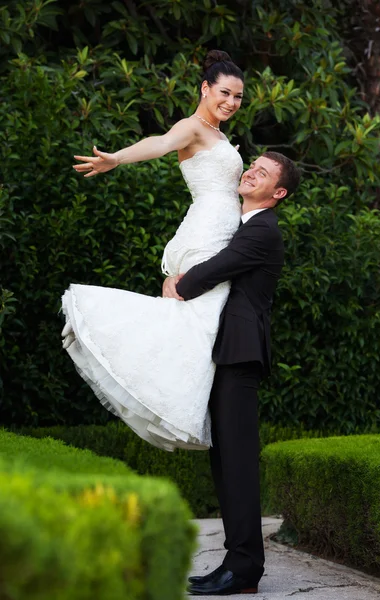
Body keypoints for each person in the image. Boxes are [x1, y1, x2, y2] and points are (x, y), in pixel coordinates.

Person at [61, 50, 245, 451]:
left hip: (217, 228)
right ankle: (169, 400)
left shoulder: (219, 135)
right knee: (199, 322)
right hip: (207, 231)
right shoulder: (192, 127)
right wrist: (118, 159)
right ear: (205, 88)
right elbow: (159, 143)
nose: (231, 103)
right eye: (225, 93)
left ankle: (181, 401)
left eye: (238, 97)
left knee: (200, 321)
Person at [162, 151, 301, 595]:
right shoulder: (243, 225)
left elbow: (219, 269)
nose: (251, 172)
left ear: (277, 193)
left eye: (263, 173)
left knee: (237, 464)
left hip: (241, 355)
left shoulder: (263, 229)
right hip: (225, 352)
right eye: (252, 165)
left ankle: (244, 568)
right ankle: (236, 563)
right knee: (225, 463)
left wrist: (176, 284)